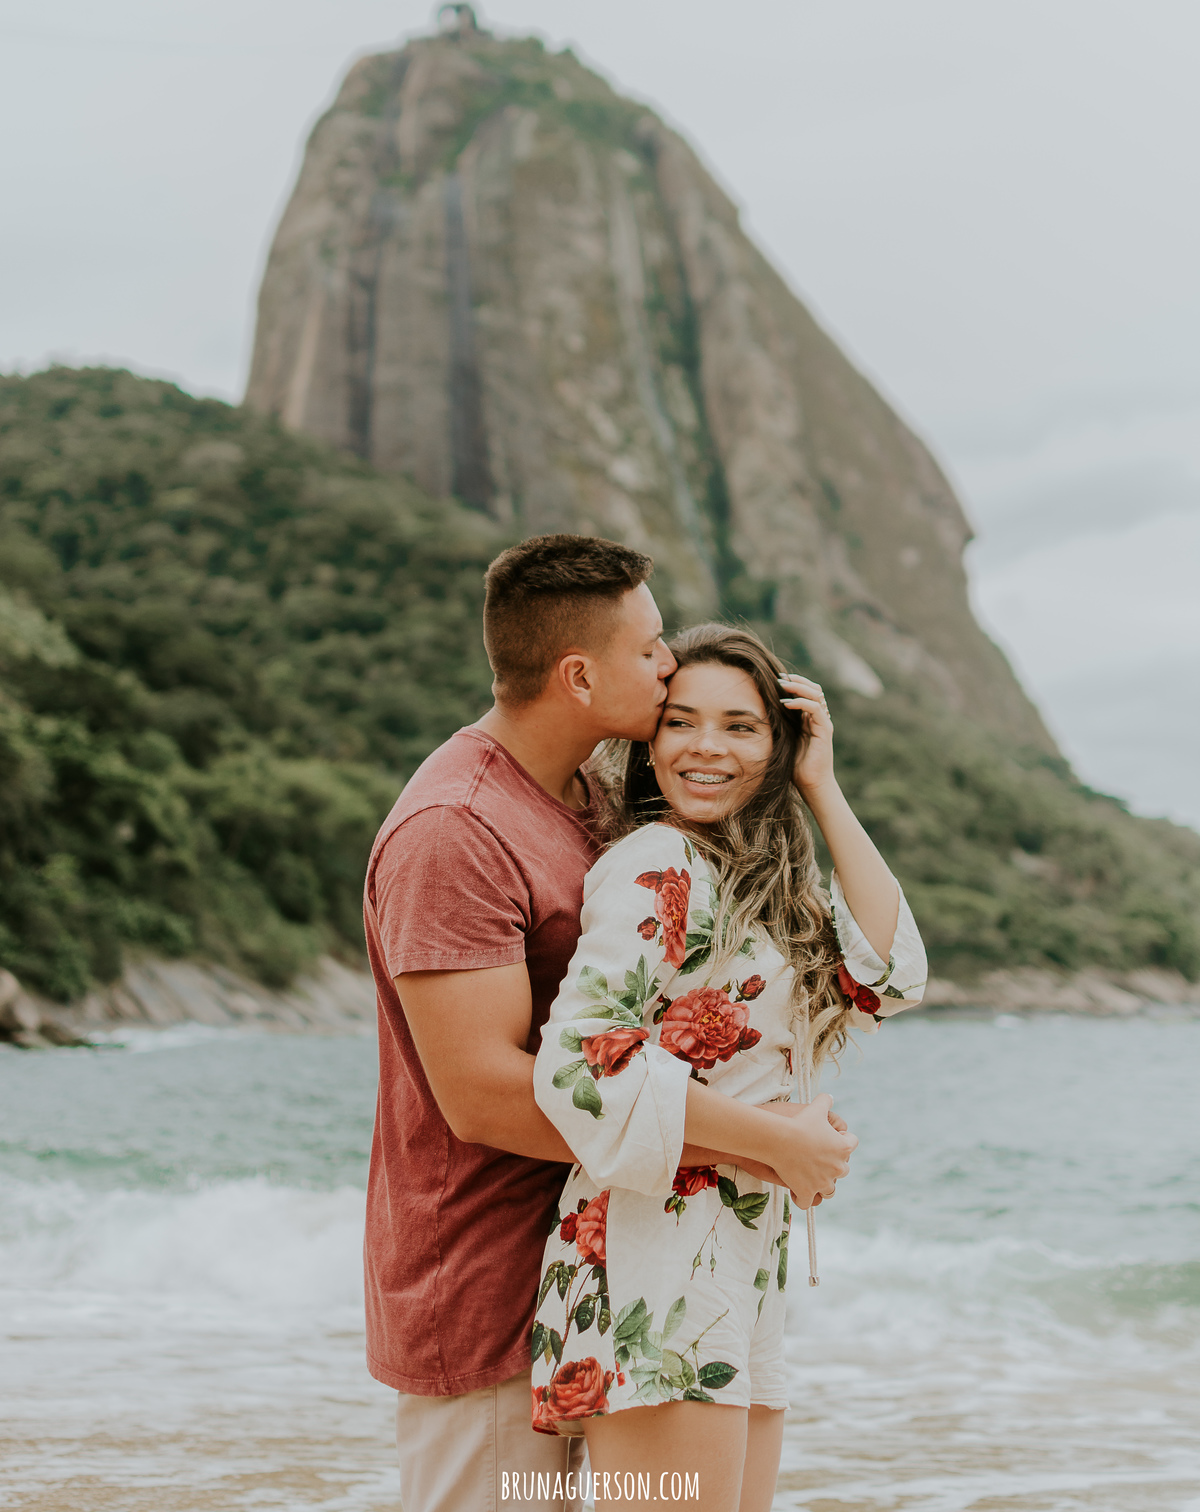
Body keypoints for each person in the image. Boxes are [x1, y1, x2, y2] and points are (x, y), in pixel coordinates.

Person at [363, 536, 854, 1512]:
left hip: (609, 1271)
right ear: (580, 676)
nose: (668, 664)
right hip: (487, 1290)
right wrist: (761, 1142)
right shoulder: (453, 832)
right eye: (649, 647)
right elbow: (483, 1097)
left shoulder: (588, 797)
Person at [530, 623, 927, 1512]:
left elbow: (892, 976)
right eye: (680, 722)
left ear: (777, 746)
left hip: (734, 1257)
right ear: (649, 742)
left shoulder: (758, 886)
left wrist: (822, 784)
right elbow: (579, 1063)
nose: (705, 746)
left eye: (741, 727)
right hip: (655, 1255)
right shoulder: (658, 861)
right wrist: (772, 1140)